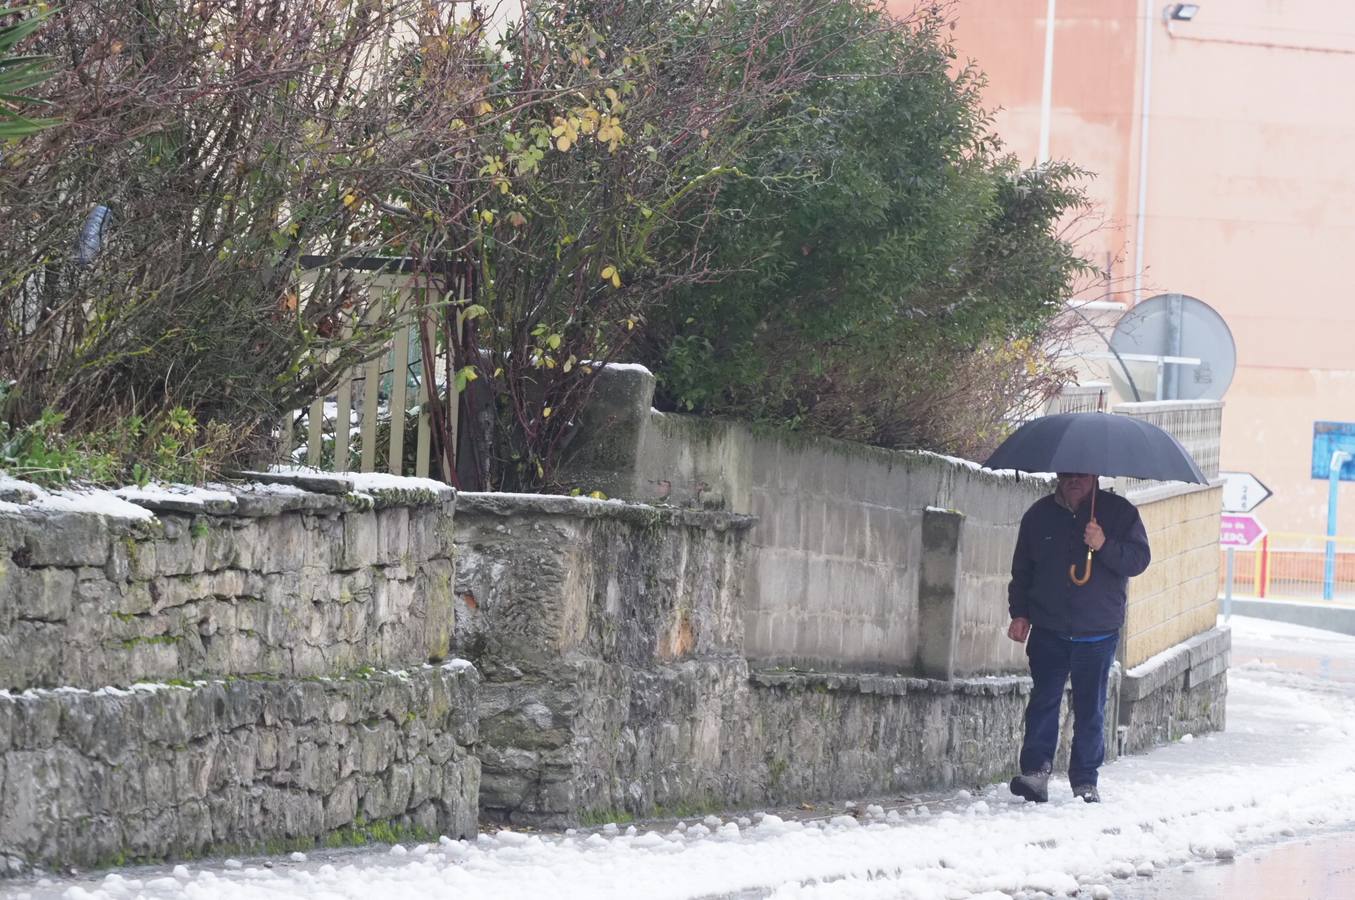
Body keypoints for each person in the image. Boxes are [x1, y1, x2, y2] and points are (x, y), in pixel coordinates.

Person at [1006, 471, 1150, 804]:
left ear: (1095, 476)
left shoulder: (1119, 513)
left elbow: (1139, 560)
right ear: (1057, 475)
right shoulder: (1039, 516)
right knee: (1043, 702)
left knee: (1091, 709)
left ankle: (1085, 780)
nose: (1073, 480)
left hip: (1097, 631)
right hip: (1049, 628)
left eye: (1081, 475)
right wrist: (1020, 613)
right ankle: (1036, 772)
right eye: (1067, 474)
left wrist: (1104, 545)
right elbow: (1022, 570)